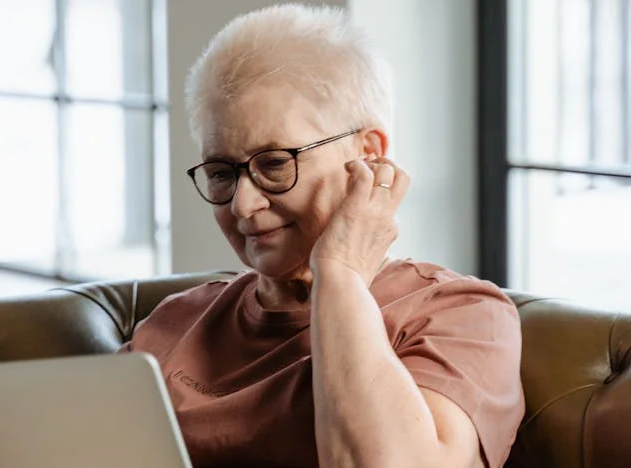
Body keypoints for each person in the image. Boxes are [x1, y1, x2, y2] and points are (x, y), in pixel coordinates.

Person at [122, 4, 524, 467]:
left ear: (368, 153)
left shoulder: (462, 318)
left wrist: (340, 273)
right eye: (221, 173)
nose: (242, 205)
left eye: (274, 164)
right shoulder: (174, 324)